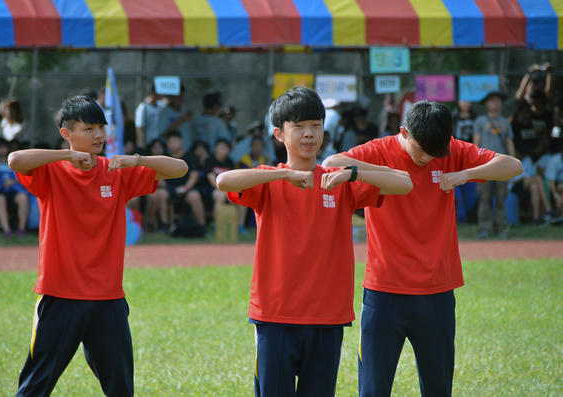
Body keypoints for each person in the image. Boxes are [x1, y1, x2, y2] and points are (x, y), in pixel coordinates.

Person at [217, 86, 413, 397]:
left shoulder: (338, 180)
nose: (309, 134)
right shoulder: (268, 180)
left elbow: (404, 184)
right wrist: (284, 176)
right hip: (275, 315)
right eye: (299, 126)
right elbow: (223, 181)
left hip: (328, 316)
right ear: (279, 134)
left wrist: (352, 173)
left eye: (316, 125)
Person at [323, 100, 522, 397]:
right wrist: (379, 173)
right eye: (420, 149)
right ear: (403, 132)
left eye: (434, 152)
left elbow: (513, 166)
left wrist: (465, 174)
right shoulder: (379, 149)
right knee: (373, 389)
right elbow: (331, 163)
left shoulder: (450, 150)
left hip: (437, 292)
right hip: (384, 292)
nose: (427, 157)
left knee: (438, 388)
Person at [9, 95, 187, 397]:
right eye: (89, 128)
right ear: (67, 134)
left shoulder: (116, 171)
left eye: (101, 127)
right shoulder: (50, 171)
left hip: (108, 299)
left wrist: (137, 160)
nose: (99, 136)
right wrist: (64, 157)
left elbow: (180, 168)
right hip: (60, 295)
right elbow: (15, 160)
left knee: (121, 389)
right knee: (34, 387)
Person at [473, 91, 516, 240]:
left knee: (501, 197)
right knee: (484, 197)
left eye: (498, 100)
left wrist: (513, 161)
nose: (496, 103)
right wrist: (475, 162)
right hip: (485, 164)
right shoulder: (480, 121)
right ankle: (484, 228)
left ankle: (501, 228)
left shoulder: (505, 122)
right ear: (486, 103)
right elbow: (476, 142)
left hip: (502, 164)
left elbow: (509, 142)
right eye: (492, 101)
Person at [158, 130, 207, 229]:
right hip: (170, 187)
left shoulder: (190, 156)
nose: (173, 145)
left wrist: (186, 188)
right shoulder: (165, 157)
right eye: (170, 142)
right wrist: (162, 182)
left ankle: (202, 226)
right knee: (161, 194)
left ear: (181, 142)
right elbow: (159, 174)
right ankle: (164, 224)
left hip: (187, 186)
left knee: (195, 196)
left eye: (175, 142)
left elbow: (194, 175)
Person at [0, 138, 29, 238]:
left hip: (14, 189)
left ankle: (21, 228)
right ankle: (7, 230)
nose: (2, 150)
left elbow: (22, 176)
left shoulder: (14, 160)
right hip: (1, 190)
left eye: (4, 147)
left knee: (23, 198)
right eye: (0, 148)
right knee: (0, 200)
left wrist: (12, 182)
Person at [204, 138, 235, 228]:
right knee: (220, 195)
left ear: (228, 151)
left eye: (224, 148)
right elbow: (212, 180)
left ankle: (237, 226)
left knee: (238, 196)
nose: (222, 151)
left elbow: (232, 178)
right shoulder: (210, 160)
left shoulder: (230, 162)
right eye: (220, 148)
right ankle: (217, 225)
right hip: (211, 189)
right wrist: (224, 190)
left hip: (227, 188)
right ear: (215, 149)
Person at [161, 86, 193, 150]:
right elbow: (164, 133)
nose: (180, 100)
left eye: (182, 97)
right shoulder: (164, 112)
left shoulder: (183, 108)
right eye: (178, 98)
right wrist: (180, 120)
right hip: (171, 152)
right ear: (171, 97)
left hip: (186, 149)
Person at [135, 83, 163, 149]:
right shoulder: (143, 107)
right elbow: (139, 128)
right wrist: (140, 146)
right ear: (153, 92)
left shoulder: (161, 106)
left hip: (159, 143)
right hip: (148, 144)